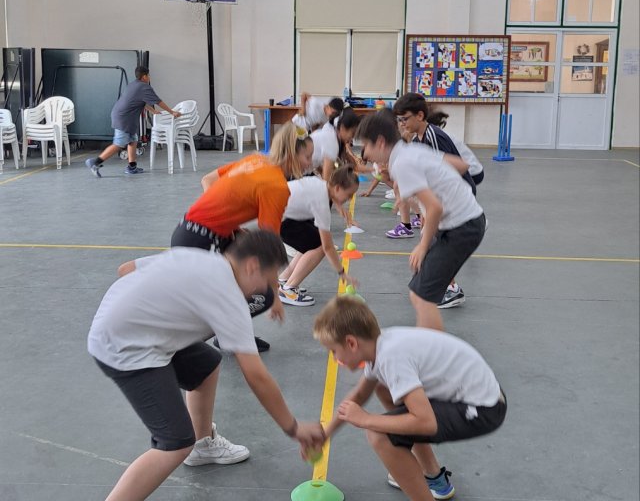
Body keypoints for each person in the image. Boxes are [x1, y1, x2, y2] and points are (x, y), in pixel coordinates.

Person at [88, 230, 325, 501]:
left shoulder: (201, 258)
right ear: (252, 266)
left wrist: (152, 310)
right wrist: (294, 428)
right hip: (126, 349)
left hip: (118, 326)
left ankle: (202, 446)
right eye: (268, 278)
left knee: (205, 364)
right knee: (174, 444)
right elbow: (256, 376)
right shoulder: (229, 297)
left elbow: (126, 269)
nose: (265, 289)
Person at [117, 122, 314, 352]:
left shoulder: (256, 160)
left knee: (214, 283)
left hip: (188, 229)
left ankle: (142, 274)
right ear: (292, 155)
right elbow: (268, 248)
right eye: (307, 157)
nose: (310, 163)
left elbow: (208, 180)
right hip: (204, 241)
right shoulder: (277, 187)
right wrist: (276, 297)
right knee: (262, 295)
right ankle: (189, 338)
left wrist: (224, 220)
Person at [313, 296, 506, 501]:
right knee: (383, 388)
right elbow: (358, 395)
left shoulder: (391, 358)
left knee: (379, 435)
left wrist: (366, 419)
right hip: (476, 396)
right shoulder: (380, 344)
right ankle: (433, 477)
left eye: (333, 351)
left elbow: (425, 423)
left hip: (482, 409)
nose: (334, 357)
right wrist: (325, 434)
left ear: (351, 343)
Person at [357, 108, 486, 331]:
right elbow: (461, 165)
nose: (365, 154)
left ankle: (432, 349)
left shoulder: (402, 163)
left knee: (421, 297)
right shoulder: (411, 149)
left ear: (380, 142)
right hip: (465, 220)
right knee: (418, 292)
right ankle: (429, 344)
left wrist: (423, 246)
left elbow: (434, 207)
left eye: (366, 146)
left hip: (462, 227)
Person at [389, 93, 482, 309]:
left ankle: (451, 288)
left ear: (420, 116)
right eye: (399, 120)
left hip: (457, 199)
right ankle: (443, 285)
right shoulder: (418, 139)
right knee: (434, 240)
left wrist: (431, 209)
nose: (402, 124)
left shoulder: (433, 137)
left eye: (405, 119)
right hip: (443, 200)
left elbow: (451, 170)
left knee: (439, 244)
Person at [277, 165, 360, 307]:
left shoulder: (321, 184)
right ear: (338, 188)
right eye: (349, 195)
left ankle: (284, 280)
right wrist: (342, 273)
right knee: (320, 245)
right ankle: (288, 290)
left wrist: (339, 204)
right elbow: (327, 247)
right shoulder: (321, 201)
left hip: (282, 215)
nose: (350, 198)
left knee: (312, 240)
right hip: (279, 219)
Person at [86, 65, 179, 177]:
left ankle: (132, 167)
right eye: (148, 75)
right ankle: (95, 162)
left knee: (132, 140)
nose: (149, 77)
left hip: (123, 116)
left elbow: (142, 101)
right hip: (124, 118)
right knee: (119, 143)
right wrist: (171, 112)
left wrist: (153, 111)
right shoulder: (144, 87)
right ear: (144, 76)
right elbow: (158, 101)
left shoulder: (133, 85)